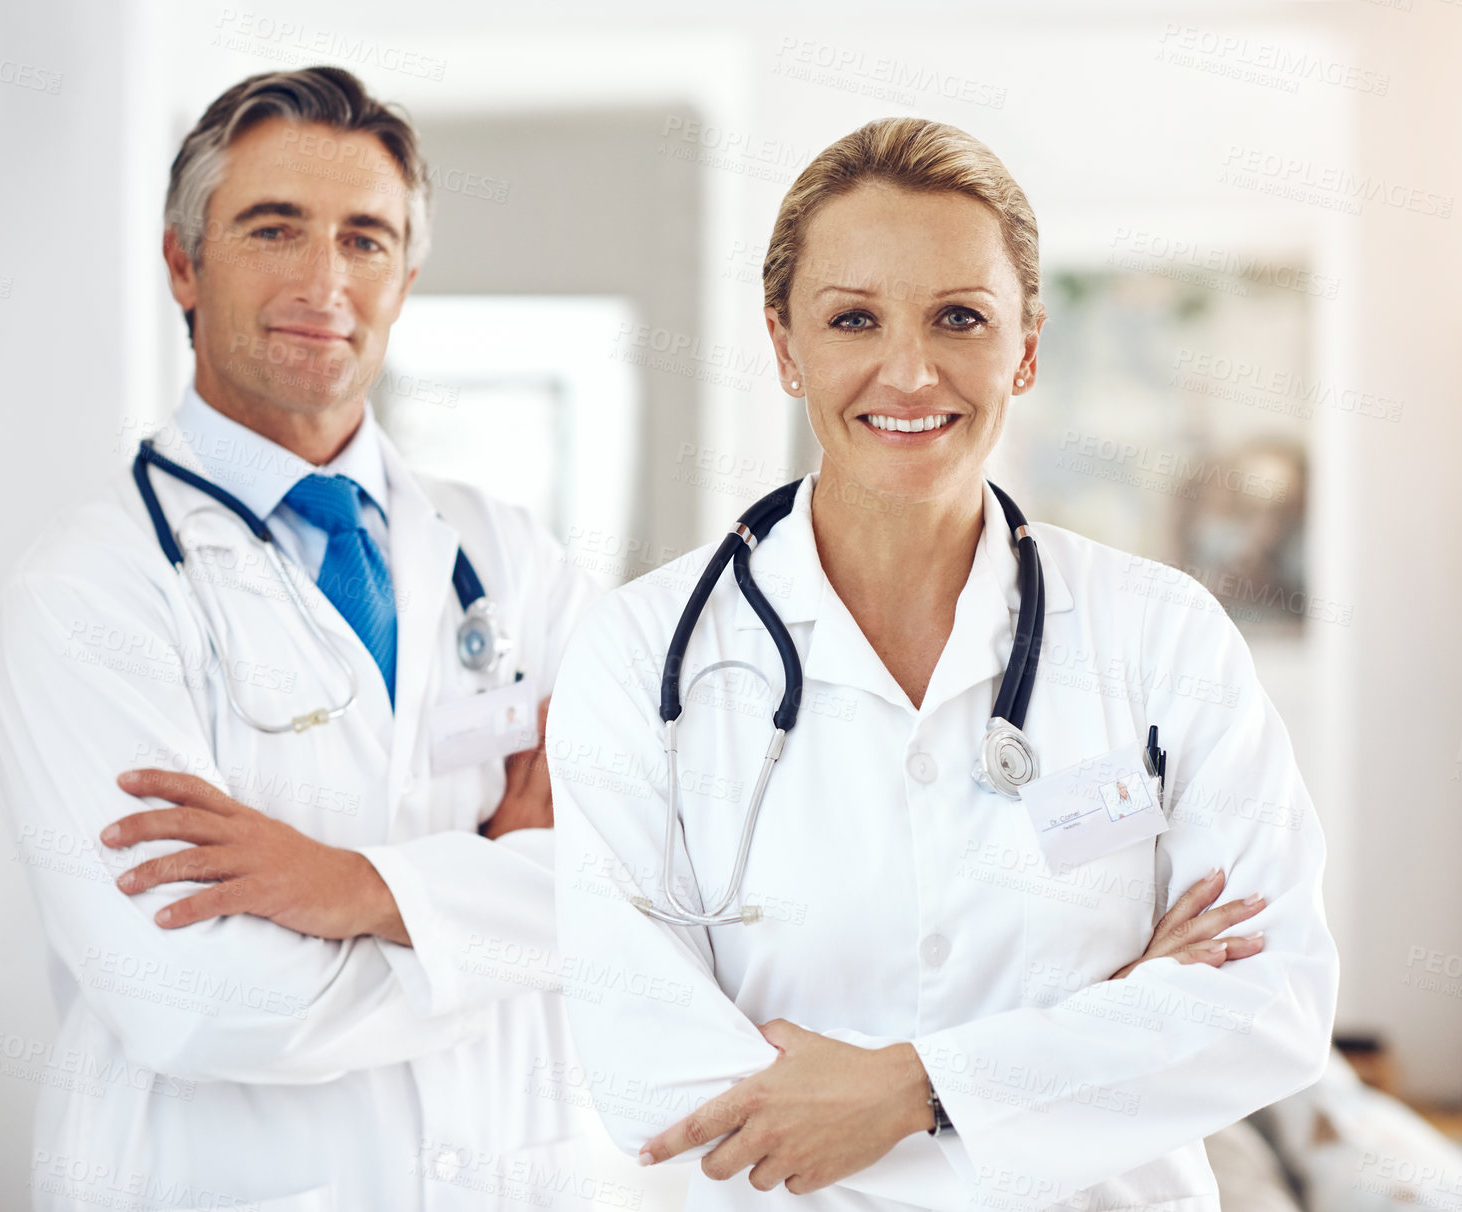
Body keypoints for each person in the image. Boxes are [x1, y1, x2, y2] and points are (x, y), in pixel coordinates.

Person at [547, 116, 1339, 1211]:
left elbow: (1271, 1005)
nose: (908, 369)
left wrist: (914, 1090)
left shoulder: (1164, 636)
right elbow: (650, 1073)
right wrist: (1105, 1030)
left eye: (959, 317)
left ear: (1024, 347)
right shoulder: (641, 656)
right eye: (853, 318)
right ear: (785, 347)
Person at [0, 67, 598, 1211]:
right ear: (183, 263)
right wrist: (508, 900)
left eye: (365, 239)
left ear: (405, 279)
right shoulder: (89, 592)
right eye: (274, 229)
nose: (324, 281)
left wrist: (350, 888)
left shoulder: (512, 556)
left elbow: (638, 878)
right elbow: (191, 995)